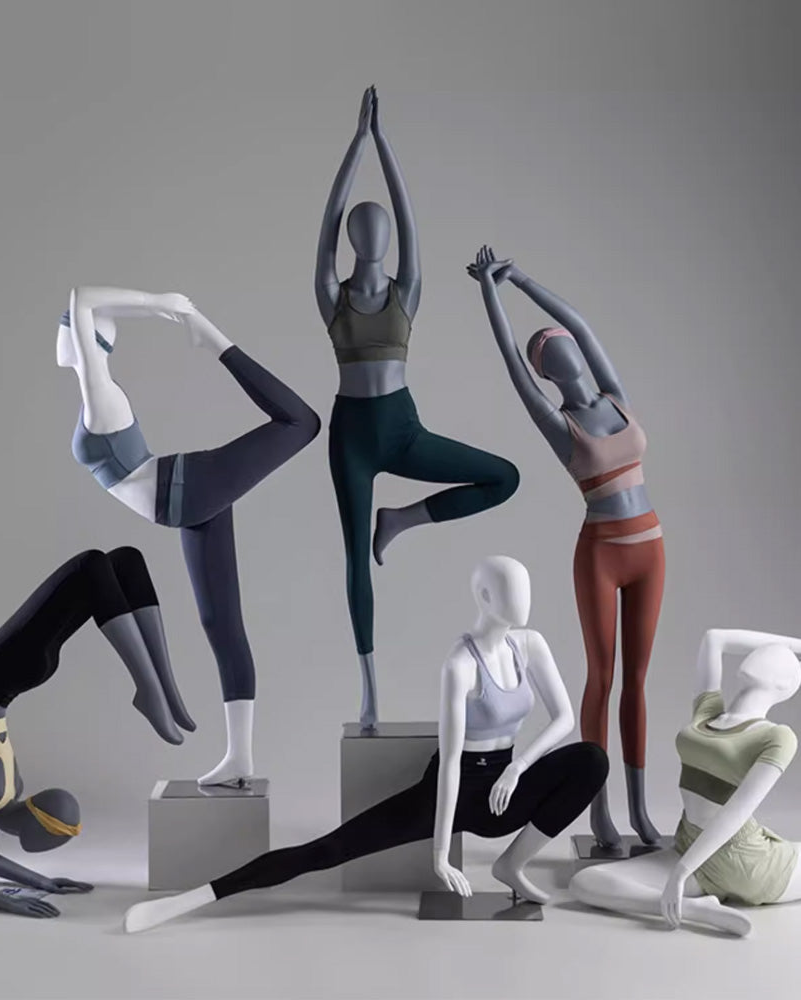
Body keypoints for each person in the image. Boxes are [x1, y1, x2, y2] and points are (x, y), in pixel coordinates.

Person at [123, 556, 608, 933]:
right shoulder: (459, 665)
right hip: (455, 789)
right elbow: (450, 763)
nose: (524, 599)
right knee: (327, 849)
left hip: (506, 785)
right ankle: (188, 901)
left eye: (525, 587)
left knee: (591, 760)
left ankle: (511, 865)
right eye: (511, 590)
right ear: (484, 596)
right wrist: (440, 854)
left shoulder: (530, 645)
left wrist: (518, 767)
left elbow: (565, 717)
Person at [316, 90, 519, 728]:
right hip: (351, 436)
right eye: (362, 228)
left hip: (401, 430)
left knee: (503, 477)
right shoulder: (330, 293)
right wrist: (357, 142)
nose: (374, 235)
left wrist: (382, 142)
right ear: (353, 239)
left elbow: (407, 220)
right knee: (354, 557)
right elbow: (329, 219)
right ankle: (370, 692)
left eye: (378, 230)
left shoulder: (409, 290)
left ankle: (402, 519)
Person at [59, 288, 320, 784]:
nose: (59, 333)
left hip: (190, 490)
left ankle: (214, 341)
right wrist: (153, 307)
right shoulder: (94, 394)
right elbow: (85, 307)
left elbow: (82, 298)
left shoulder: (100, 396)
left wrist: (159, 303)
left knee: (301, 422)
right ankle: (239, 757)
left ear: (84, 340)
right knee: (219, 623)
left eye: (65, 326)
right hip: (187, 501)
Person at [469, 246, 662, 848]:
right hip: (601, 554)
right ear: (548, 372)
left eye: (567, 344)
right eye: (552, 351)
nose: (567, 348)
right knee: (601, 677)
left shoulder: (615, 396)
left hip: (650, 548)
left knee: (638, 680)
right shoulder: (560, 425)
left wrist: (521, 278)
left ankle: (640, 811)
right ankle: (599, 812)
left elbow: (578, 321)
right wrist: (489, 292)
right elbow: (512, 363)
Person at [569, 629, 801, 936]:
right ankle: (695, 909)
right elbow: (715, 637)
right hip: (691, 848)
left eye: (779, 656)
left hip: (747, 862)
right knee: (585, 882)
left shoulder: (776, 736)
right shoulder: (706, 714)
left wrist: (681, 872)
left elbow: (736, 811)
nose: (769, 651)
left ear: (784, 685)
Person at [0, 548, 183, 916]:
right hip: (4, 683)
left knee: (100, 565)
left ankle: (155, 689)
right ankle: (160, 689)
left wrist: (35, 888)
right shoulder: (2, 791)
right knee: (111, 565)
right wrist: (29, 889)